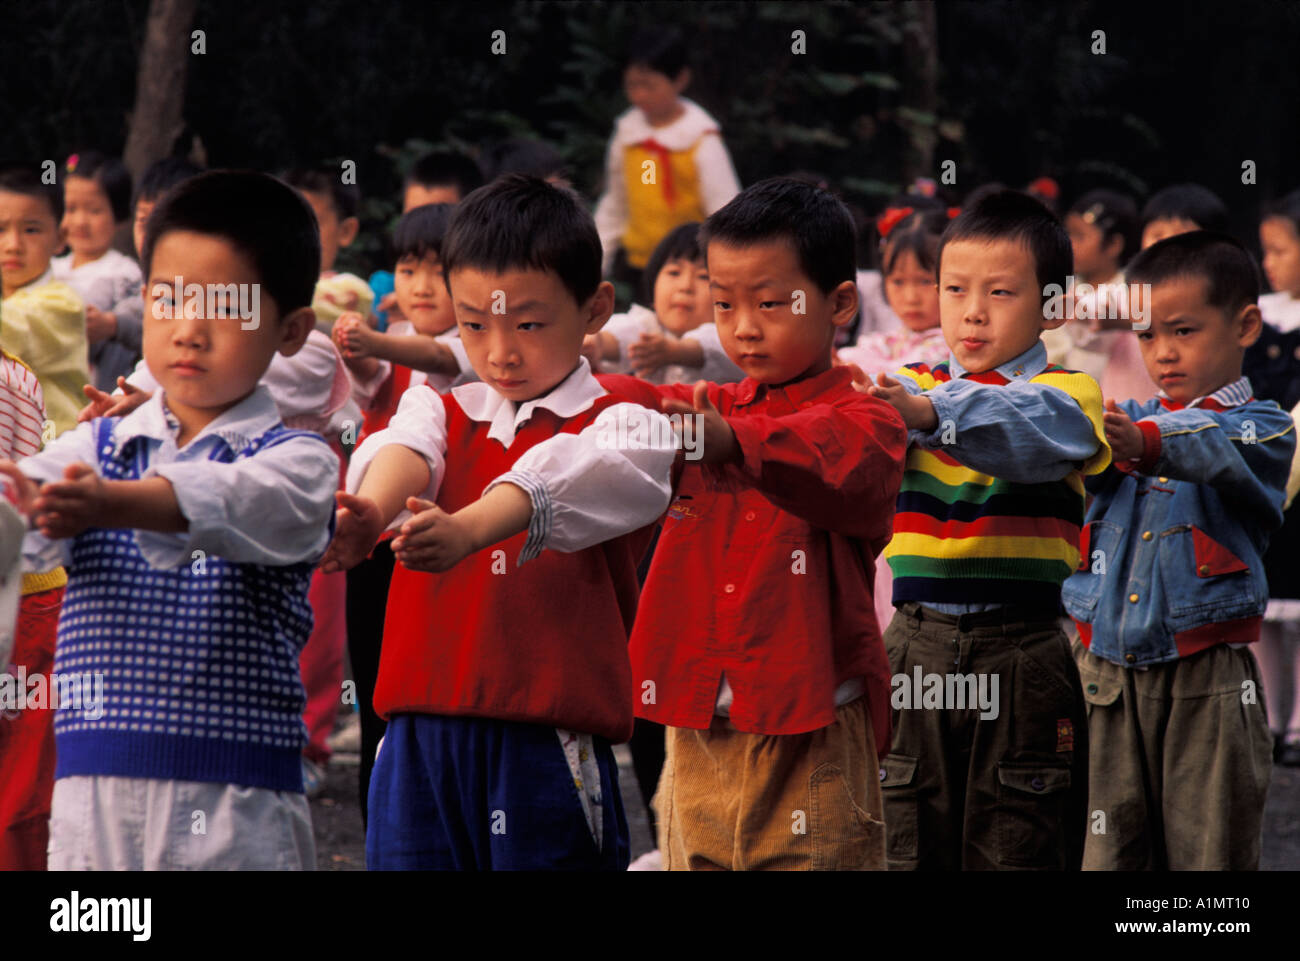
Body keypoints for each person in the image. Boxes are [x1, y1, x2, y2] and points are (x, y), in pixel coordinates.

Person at [321, 174, 676, 870]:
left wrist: (469, 530)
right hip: (419, 728)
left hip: (546, 735)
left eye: (528, 324)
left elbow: (573, 474)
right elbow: (407, 449)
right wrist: (372, 511)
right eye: (475, 324)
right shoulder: (444, 405)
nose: (500, 350)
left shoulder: (627, 414)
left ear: (596, 307)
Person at [0, 170, 337, 870]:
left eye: (226, 305)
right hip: (90, 799)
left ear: (292, 329)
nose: (188, 328)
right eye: (169, 297)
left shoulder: (300, 461)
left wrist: (107, 503)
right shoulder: (90, 448)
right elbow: (18, 513)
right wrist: (26, 506)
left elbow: (234, 498)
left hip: (236, 807)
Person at [601, 177, 909, 871]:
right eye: (724, 304)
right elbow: (636, 395)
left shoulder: (871, 418)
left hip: (816, 728)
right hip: (699, 727)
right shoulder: (714, 399)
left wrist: (732, 442)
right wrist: (572, 376)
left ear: (839, 302)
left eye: (770, 303)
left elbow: (831, 459)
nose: (742, 325)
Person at [866, 189, 1110, 870]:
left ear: (1053, 305)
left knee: (1018, 839)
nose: (971, 311)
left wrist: (925, 414)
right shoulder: (904, 383)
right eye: (954, 289)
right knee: (903, 832)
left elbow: (1021, 429)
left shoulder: (1069, 393)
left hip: (1023, 647)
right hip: (913, 642)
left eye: (1000, 291)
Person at [1062, 231, 1294, 869]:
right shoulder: (1128, 418)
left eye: (1183, 331)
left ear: (1246, 324)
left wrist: (1136, 440)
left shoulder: (1262, 426)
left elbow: (1204, 442)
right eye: (1146, 335)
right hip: (1103, 676)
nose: (1162, 353)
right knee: (1104, 854)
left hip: (1208, 683)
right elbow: (1075, 448)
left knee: (1205, 859)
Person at [332, 203, 470, 820]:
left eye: (437, 272)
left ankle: (432, 814)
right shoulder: (392, 354)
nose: (418, 285)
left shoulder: (471, 345)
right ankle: (377, 818)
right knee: (374, 688)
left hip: (443, 542)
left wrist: (372, 339)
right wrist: (349, 343)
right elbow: (369, 374)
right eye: (407, 269)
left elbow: (439, 359)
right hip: (376, 539)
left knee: (431, 688)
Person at [837, 206, 951, 642]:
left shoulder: (953, 352)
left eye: (925, 281)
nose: (910, 296)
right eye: (898, 281)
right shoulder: (874, 344)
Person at [593, 26, 741, 295]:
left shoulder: (701, 138)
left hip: (691, 270)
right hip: (636, 266)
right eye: (632, 85)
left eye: (648, 86)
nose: (639, 95)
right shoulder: (627, 133)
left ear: (680, 79)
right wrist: (598, 260)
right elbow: (615, 201)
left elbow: (725, 209)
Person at [0, 348, 64, 869]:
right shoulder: (15, 370)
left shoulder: (7, 375)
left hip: (22, 598)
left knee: (19, 798)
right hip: (29, 597)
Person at [1248, 189, 1300, 765]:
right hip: (1266, 467)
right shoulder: (1263, 317)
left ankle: (1298, 724)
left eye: (1281, 250)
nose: (1270, 262)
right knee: (1265, 607)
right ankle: (1265, 716)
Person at [585, 221, 742, 385]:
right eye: (674, 273)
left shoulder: (731, 335)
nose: (685, 286)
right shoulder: (647, 324)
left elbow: (714, 348)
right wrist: (598, 343)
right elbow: (627, 335)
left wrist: (675, 351)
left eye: (704, 276)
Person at [0, 166, 88, 436]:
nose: (13, 244)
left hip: (53, 454)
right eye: (0, 229)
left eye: (31, 230)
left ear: (60, 238)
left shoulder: (64, 304)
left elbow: (15, 328)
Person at [52, 152, 143, 392]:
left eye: (94, 211)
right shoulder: (49, 267)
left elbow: (140, 325)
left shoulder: (125, 274)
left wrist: (109, 324)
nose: (80, 221)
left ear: (118, 214)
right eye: (70, 209)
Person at [284, 166, 374, 335]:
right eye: (283, 222)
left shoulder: (354, 299)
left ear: (346, 231)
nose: (293, 234)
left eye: (309, 222)